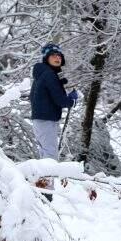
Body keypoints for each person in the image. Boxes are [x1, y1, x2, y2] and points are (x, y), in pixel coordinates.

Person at [30, 43, 78, 200]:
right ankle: (46, 194)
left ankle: (40, 191)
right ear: (46, 58)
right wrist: (71, 100)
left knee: (44, 153)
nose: (57, 58)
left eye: (59, 56)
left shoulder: (42, 73)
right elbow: (60, 100)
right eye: (53, 55)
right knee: (50, 156)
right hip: (46, 119)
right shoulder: (49, 74)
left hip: (40, 119)